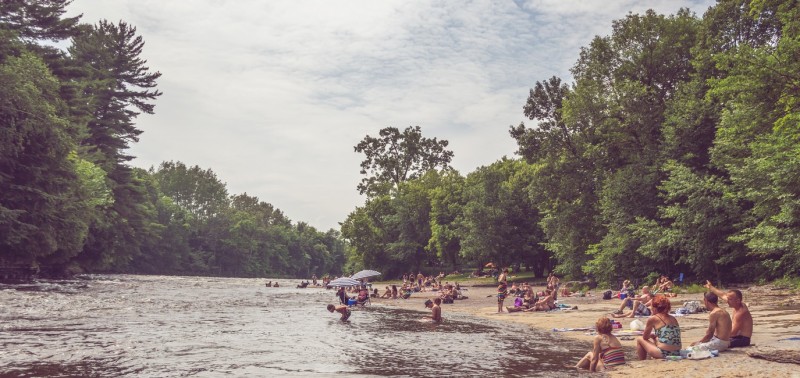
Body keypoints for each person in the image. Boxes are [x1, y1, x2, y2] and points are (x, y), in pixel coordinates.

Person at [705, 281, 753, 348]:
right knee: (714, 339)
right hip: (736, 336)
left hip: (742, 339)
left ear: (738, 301)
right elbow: (722, 295)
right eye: (728, 298)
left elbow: (733, 333)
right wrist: (711, 287)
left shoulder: (741, 313)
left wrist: (718, 335)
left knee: (718, 342)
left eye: (729, 299)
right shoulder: (737, 304)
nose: (727, 301)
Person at [635, 295, 682, 359]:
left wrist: (651, 336)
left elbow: (645, 337)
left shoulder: (653, 318)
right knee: (656, 337)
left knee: (639, 339)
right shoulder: (673, 318)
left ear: (654, 308)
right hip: (677, 352)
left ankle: (642, 360)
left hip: (663, 353)